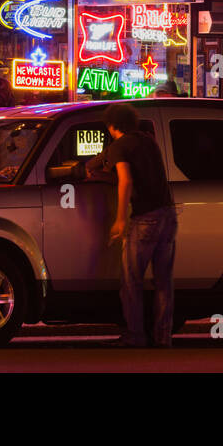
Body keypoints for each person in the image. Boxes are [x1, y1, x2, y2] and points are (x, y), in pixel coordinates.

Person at [90, 103, 177, 347]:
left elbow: (126, 181)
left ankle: (135, 336)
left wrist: (120, 219)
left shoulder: (119, 146)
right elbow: (136, 174)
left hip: (145, 218)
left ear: (111, 125)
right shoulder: (148, 140)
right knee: (163, 282)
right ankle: (163, 337)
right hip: (168, 214)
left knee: (131, 282)